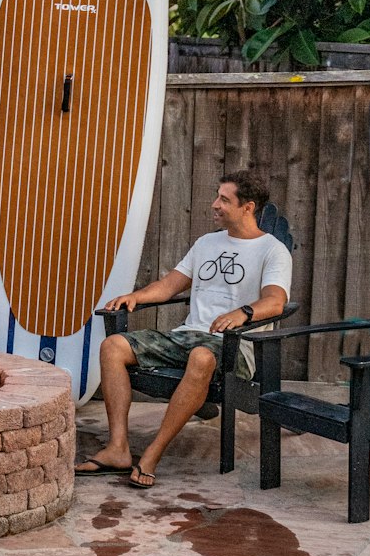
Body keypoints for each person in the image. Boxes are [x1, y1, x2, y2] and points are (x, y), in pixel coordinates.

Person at [78, 170, 291, 489]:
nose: (214, 204)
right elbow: (167, 287)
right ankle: (118, 449)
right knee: (113, 347)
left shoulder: (272, 250)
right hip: (187, 336)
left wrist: (244, 312)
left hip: (236, 347)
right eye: (216, 196)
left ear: (247, 207)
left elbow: (276, 301)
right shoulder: (207, 243)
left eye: (224, 199)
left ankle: (152, 453)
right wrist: (135, 296)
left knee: (202, 357)